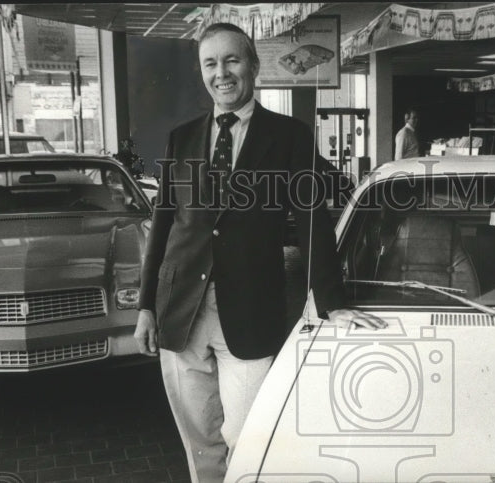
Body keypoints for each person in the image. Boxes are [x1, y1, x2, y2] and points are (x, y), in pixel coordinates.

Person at [133, 23, 385, 482]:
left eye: (231, 60)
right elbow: (163, 225)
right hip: (180, 312)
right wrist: (146, 304)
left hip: (250, 312)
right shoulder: (181, 138)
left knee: (249, 438)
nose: (221, 73)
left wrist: (332, 301)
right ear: (202, 72)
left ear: (253, 65)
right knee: (200, 440)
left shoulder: (288, 135)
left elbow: (313, 222)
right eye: (211, 63)